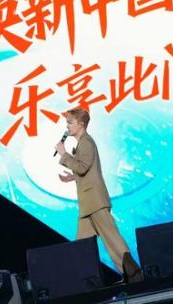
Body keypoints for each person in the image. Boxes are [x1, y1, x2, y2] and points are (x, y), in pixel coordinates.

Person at [55, 107, 143, 284]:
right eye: (67, 123)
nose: (67, 126)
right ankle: (85, 281)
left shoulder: (86, 142)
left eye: (70, 122)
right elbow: (87, 170)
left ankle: (134, 274)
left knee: (111, 238)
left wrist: (64, 153)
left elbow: (82, 167)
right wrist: (73, 177)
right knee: (82, 245)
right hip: (88, 203)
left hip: (95, 201)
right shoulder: (82, 143)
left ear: (81, 124)